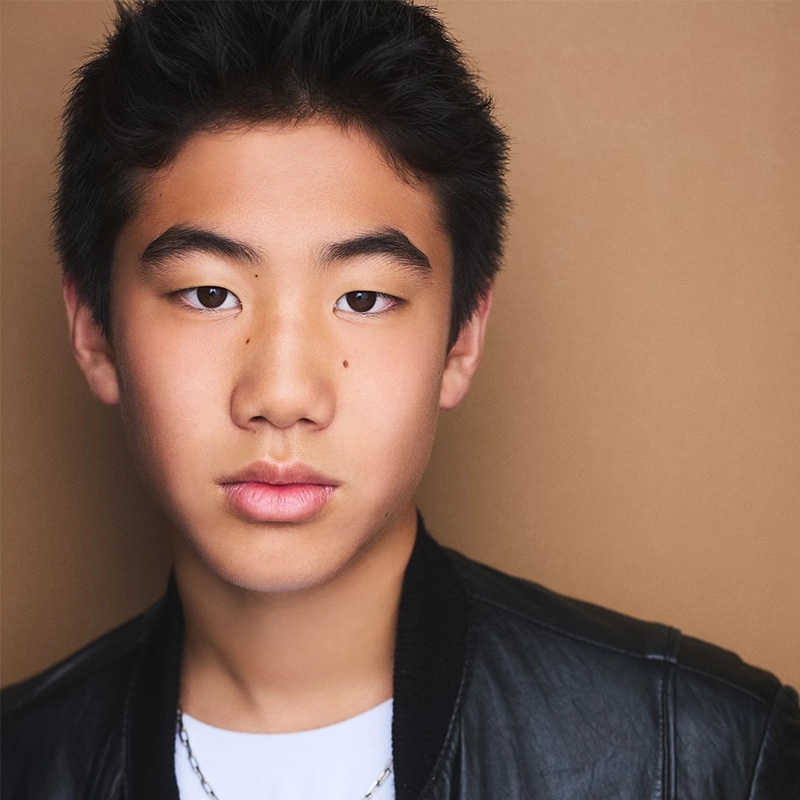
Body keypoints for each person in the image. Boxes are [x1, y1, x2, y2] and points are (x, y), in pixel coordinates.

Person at [2, 1, 798, 798]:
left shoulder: (694, 755)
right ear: (95, 331)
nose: (283, 397)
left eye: (363, 299)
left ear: (462, 340)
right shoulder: (25, 762)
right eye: (209, 294)